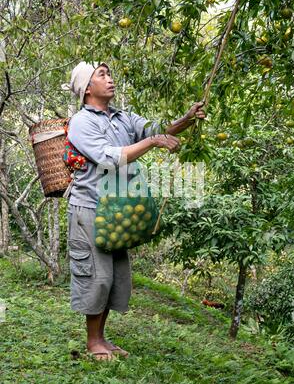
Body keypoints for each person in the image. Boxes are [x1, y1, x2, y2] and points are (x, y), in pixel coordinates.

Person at [65, 61, 206, 360]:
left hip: (116, 208)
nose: (110, 79)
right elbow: (110, 158)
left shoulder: (122, 117)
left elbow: (157, 129)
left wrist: (187, 119)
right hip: (89, 206)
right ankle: (93, 342)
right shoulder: (81, 122)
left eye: (109, 73)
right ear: (87, 88)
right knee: (96, 276)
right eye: (102, 75)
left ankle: (102, 338)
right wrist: (153, 142)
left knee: (115, 276)